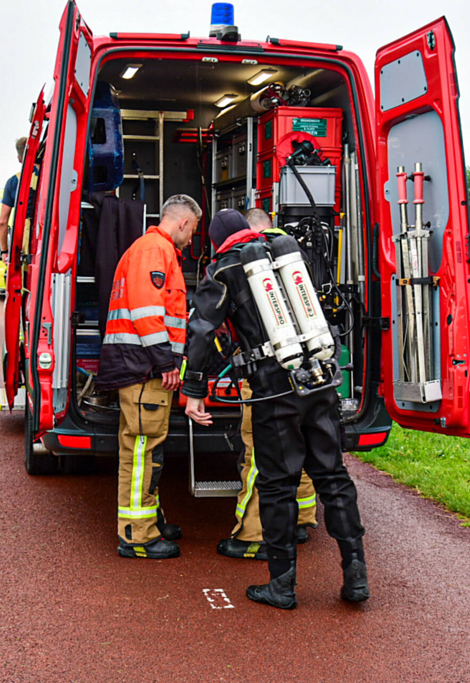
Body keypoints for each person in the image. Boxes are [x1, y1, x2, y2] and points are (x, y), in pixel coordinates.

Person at [182, 209, 369, 609]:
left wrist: (194, 389)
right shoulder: (286, 254)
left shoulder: (223, 269)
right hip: (318, 379)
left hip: (273, 389)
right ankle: (356, 576)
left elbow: (202, 330)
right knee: (333, 476)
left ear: (217, 240)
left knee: (277, 485)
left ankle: (282, 586)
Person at [97, 194, 201, 560]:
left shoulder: (152, 249)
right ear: (183, 222)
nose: (191, 239)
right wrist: (166, 363)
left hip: (140, 367)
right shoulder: (155, 250)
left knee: (144, 448)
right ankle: (138, 535)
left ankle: (148, 521)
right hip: (144, 369)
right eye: (193, 230)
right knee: (143, 449)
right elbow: (147, 313)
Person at [215, 207, 318, 561]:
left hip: (265, 377)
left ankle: (252, 535)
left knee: (258, 453)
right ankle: (301, 519)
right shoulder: (294, 258)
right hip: (306, 372)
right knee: (300, 445)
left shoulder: (248, 264)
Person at [0, 136, 26, 255]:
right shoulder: (52, 176)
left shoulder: (13, 182)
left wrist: (4, 251)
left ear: (19, 159)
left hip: (25, 245)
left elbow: (3, 222)